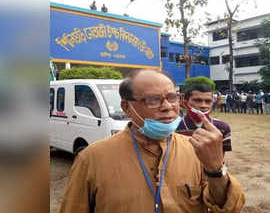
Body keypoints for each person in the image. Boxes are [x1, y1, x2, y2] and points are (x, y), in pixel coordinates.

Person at [59, 69, 245, 213]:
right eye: (153, 100)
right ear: (127, 107)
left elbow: (228, 207)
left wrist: (215, 170)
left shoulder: (195, 150)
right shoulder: (92, 159)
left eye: (172, 97)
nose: (167, 107)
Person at [176, 83, 233, 155]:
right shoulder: (174, 127)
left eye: (208, 101)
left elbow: (221, 157)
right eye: (197, 100)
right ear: (186, 103)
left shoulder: (223, 127)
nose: (203, 105)